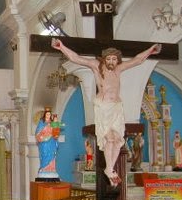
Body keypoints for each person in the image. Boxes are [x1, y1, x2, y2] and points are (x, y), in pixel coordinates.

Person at [52, 38, 161, 186]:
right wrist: (61, 47)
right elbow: (76, 58)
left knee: (117, 139)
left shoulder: (119, 69)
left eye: (114, 59)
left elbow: (137, 60)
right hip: (103, 106)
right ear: (104, 59)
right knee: (109, 138)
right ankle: (109, 169)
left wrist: (150, 50)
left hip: (116, 107)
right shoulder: (96, 66)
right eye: (108, 59)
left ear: (117, 60)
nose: (111, 61)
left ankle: (110, 168)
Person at [35, 109, 59, 178]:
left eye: (49, 114)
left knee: (52, 155)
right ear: (45, 115)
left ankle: (51, 169)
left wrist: (55, 131)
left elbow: (56, 132)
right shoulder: (41, 123)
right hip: (44, 143)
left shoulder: (52, 123)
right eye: (47, 114)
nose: (48, 115)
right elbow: (37, 134)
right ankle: (44, 168)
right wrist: (44, 137)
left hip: (51, 142)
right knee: (45, 154)